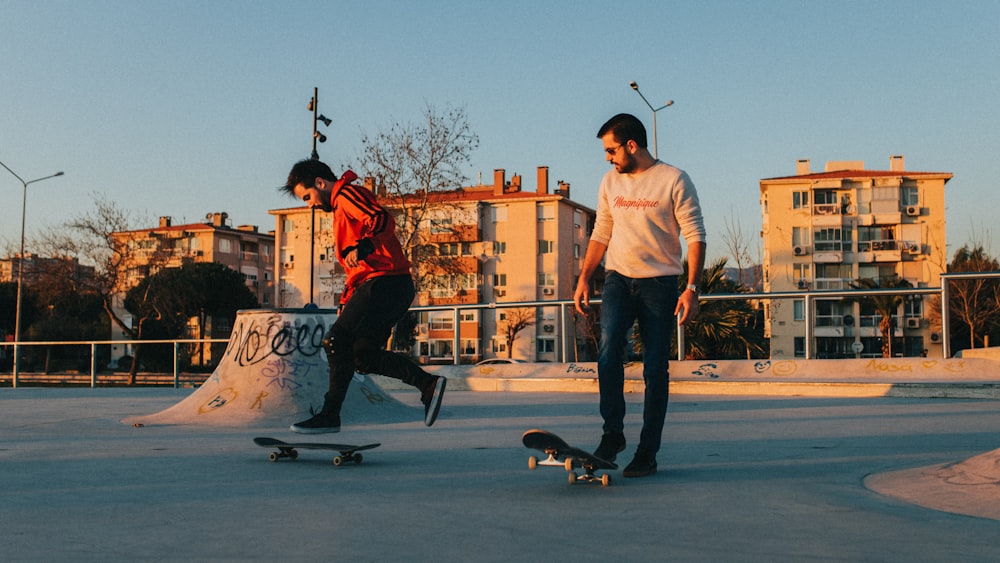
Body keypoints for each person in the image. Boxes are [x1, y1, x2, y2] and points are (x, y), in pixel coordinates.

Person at [573, 113, 706, 477]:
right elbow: (601, 232)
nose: (607, 157)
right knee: (609, 349)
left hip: (660, 284)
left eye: (611, 149)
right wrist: (585, 277)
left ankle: (647, 451)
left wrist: (692, 289)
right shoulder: (609, 182)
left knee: (655, 369)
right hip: (618, 279)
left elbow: (695, 236)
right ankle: (612, 435)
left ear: (632, 145)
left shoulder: (674, 180)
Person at [279, 159, 446, 434]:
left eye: (307, 197)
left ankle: (329, 415)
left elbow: (382, 219)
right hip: (386, 286)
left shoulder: (346, 195)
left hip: (385, 283)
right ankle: (427, 384)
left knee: (335, 341)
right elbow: (355, 269)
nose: (309, 204)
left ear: (320, 183)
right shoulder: (340, 211)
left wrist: (366, 244)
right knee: (361, 356)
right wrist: (346, 300)